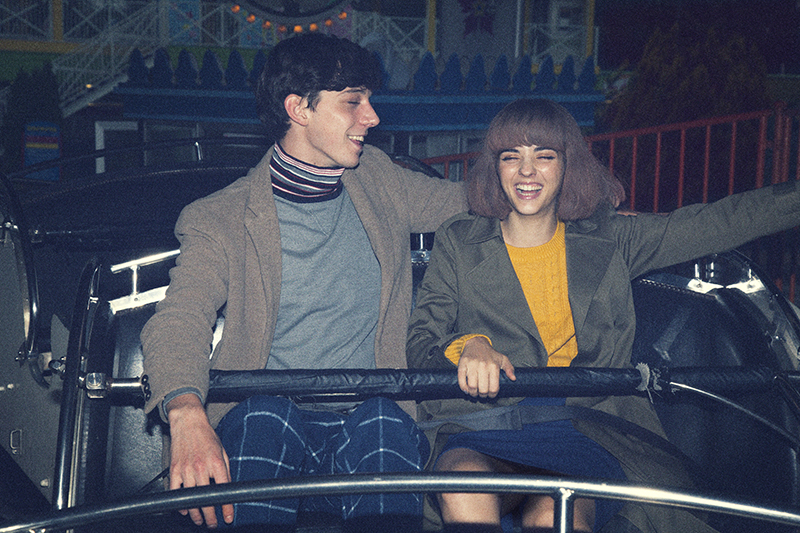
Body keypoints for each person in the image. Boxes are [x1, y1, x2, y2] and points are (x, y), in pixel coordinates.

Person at [407, 98, 800, 533]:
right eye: (510, 157)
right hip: (485, 422)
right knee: (464, 486)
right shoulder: (459, 240)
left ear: (568, 166)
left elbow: (719, 221)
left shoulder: (612, 239)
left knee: (553, 514)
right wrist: (469, 346)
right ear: (495, 168)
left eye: (544, 156)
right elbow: (422, 339)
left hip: (587, 425)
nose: (526, 172)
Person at [141, 33, 466, 531]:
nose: (372, 117)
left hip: (367, 419)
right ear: (299, 109)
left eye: (369, 100)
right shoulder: (220, 217)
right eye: (353, 101)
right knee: (265, 417)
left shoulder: (379, 179)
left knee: (383, 420)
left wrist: (556, 180)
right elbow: (180, 318)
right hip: (267, 421)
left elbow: (474, 202)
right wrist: (186, 411)